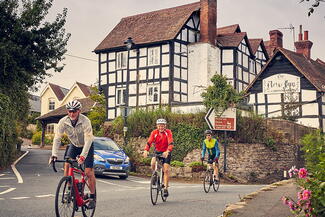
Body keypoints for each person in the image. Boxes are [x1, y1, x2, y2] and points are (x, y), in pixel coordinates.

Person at [49, 99, 96, 208]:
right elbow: (57, 138)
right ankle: (69, 191)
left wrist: (83, 156)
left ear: (79, 111)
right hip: (74, 145)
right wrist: (54, 154)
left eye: (74, 111)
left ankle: (92, 197)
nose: (72, 113)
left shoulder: (85, 121)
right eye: (69, 111)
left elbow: (88, 140)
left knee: (88, 172)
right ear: (67, 112)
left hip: (87, 146)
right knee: (67, 165)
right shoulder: (63, 121)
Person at [143, 118, 174, 197]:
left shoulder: (168, 132)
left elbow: (171, 143)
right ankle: (155, 176)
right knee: (153, 163)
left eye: (162, 126)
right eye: (159, 126)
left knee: (166, 170)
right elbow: (149, 142)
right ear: (157, 126)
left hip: (166, 152)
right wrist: (146, 150)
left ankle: (166, 188)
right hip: (157, 152)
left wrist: (168, 151)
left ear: (165, 126)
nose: (161, 127)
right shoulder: (154, 132)